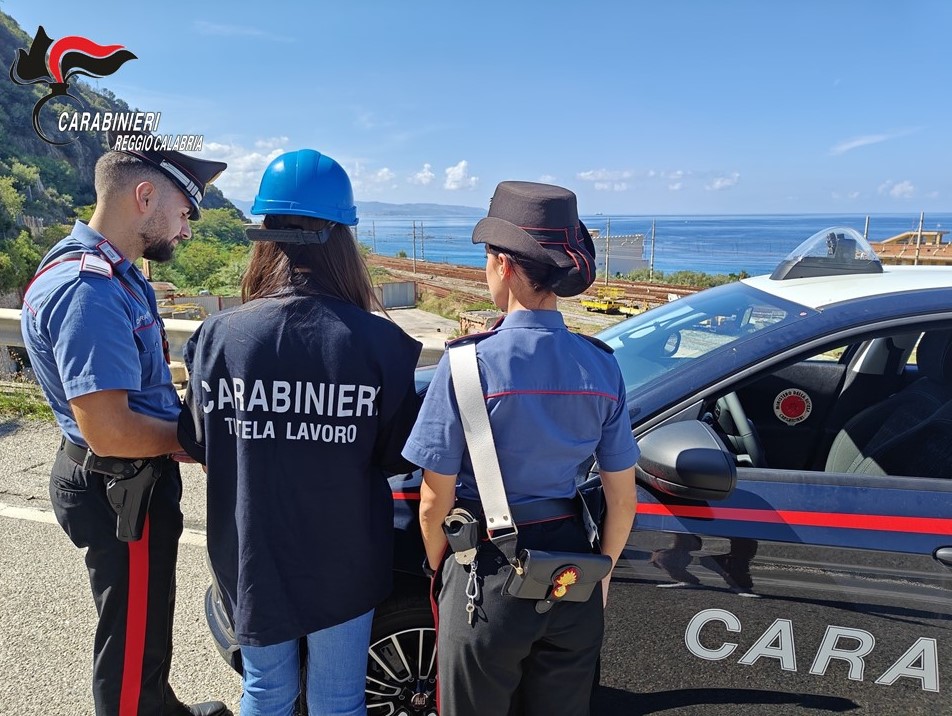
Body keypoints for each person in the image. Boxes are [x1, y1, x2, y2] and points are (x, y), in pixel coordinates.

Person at [177, 149, 423, 716]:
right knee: (339, 700)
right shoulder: (384, 346)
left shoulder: (218, 337)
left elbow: (201, 442)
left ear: (263, 234)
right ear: (343, 239)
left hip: (252, 553)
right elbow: (394, 456)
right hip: (345, 558)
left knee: (265, 693)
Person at [401, 181, 639, 716]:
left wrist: (445, 573)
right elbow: (622, 502)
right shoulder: (601, 364)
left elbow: (433, 505)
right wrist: (601, 573)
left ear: (504, 265)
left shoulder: (465, 365)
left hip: (486, 574)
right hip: (574, 574)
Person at [20, 137, 231, 715]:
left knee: (141, 623)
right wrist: (195, 441)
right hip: (121, 485)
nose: (186, 230)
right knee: (130, 639)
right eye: (185, 213)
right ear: (144, 196)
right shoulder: (88, 289)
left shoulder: (112, 272)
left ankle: (157, 701)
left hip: (127, 481)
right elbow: (109, 430)